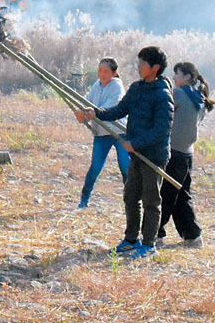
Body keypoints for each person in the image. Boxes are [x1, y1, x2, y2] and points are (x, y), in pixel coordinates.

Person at [78, 45, 174, 258]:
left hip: (153, 156)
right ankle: (131, 239)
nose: (138, 66)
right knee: (130, 196)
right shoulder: (137, 88)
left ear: (155, 68)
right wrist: (97, 113)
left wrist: (136, 143)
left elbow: (162, 129)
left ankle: (149, 244)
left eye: (142, 63)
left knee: (151, 200)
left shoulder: (162, 94)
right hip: (136, 154)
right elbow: (120, 110)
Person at [156, 62, 214, 248]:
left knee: (165, 194)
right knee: (181, 195)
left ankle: (155, 234)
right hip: (188, 154)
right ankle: (193, 236)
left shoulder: (179, 94)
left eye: (177, 74)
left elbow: (160, 108)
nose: (174, 78)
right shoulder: (200, 98)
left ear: (188, 77)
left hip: (174, 152)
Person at [75, 58, 130, 208]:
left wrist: (92, 113)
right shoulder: (96, 86)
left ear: (114, 73)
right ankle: (83, 200)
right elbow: (87, 104)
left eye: (106, 71)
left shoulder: (117, 86)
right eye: (100, 70)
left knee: (125, 167)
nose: (102, 74)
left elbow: (111, 107)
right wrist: (81, 113)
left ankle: (130, 201)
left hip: (119, 131)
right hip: (101, 133)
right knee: (95, 167)